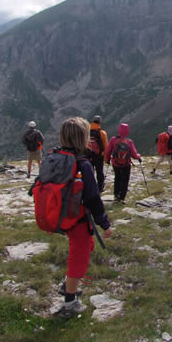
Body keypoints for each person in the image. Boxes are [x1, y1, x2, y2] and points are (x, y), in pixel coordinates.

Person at [55, 117, 111, 319]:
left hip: (64, 216)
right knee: (79, 255)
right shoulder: (83, 165)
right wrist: (104, 223)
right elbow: (94, 199)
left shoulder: (57, 157)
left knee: (84, 247)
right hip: (78, 218)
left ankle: (70, 283)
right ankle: (70, 301)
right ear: (83, 138)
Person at [104, 123, 142, 203]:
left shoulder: (113, 139)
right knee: (125, 180)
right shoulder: (129, 141)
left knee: (117, 178)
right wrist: (138, 156)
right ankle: (122, 197)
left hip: (115, 163)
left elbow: (108, 151)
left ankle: (116, 195)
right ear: (127, 131)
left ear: (119, 130)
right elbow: (134, 154)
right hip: (126, 164)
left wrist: (107, 159)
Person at [88, 115, 108, 192]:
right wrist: (106, 158)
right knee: (100, 172)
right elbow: (105, 146)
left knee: (90, 171)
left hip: (89, 155)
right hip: (99, 156)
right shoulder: (102, 133)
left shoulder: (87, 132)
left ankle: (90, 187)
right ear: (100, 122)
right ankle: (100, 188)